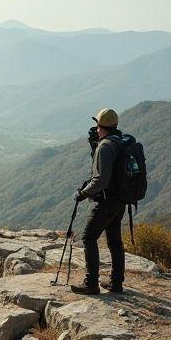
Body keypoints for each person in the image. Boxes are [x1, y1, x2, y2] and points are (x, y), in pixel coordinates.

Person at [72, 108, 125, 295]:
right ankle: (116, 283)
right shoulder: (119, 142)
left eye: (97, 125)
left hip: (106, 201)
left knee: (88, 237)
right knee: (115, 241)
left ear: (101, 126)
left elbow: (101, 179)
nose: (95, 129)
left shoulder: (105, 147)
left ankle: (91, 283)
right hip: (120, 200)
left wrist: (83, 193)